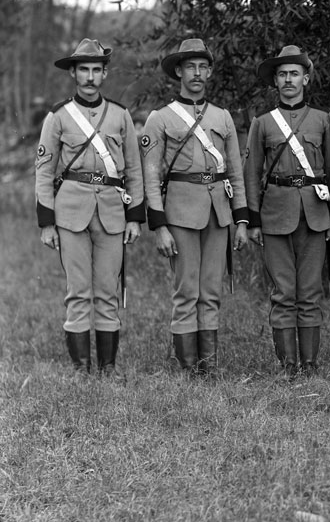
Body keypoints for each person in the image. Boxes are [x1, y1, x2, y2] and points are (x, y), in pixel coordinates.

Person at [35, 38, 145, 374]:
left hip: (112, 211)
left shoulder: (120, 115)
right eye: (84, 69)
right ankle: (82, 368)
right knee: (78, 291)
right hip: (71, 212)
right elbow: (44, 171)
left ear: (105, 73)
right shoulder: (58, 116)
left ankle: (108, 367)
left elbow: (134, 169)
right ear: (73, 73)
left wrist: (134, 218)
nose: (90, 77)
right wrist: (47, 222)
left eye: (96, 70)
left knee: (107, 291)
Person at [140, 38, 249, 375]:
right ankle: (188, 367)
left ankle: (209, 365)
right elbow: (150, 176)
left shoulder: (223, 117)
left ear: (210, 72)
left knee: (211, 290)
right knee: (186, 290)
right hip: (180, 212)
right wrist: (159, 226)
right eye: (190, 67)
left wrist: (241, 219)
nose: (197, 73)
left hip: (218, 210)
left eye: (203, 67)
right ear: (179, 72)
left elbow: (235, 172)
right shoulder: (160, 119)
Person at [244, 46, 330, 378]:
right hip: (275, 211)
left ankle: (311, 364)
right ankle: (288, 364)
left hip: (314, 213)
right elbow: (251, 173)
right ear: (275, 81)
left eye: (294, 74)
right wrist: (254, 219)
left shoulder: (323, 119)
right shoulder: (262, 123)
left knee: (310, 290)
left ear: (305, 78)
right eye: (282, 74)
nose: (289, 80)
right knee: (283, 290)